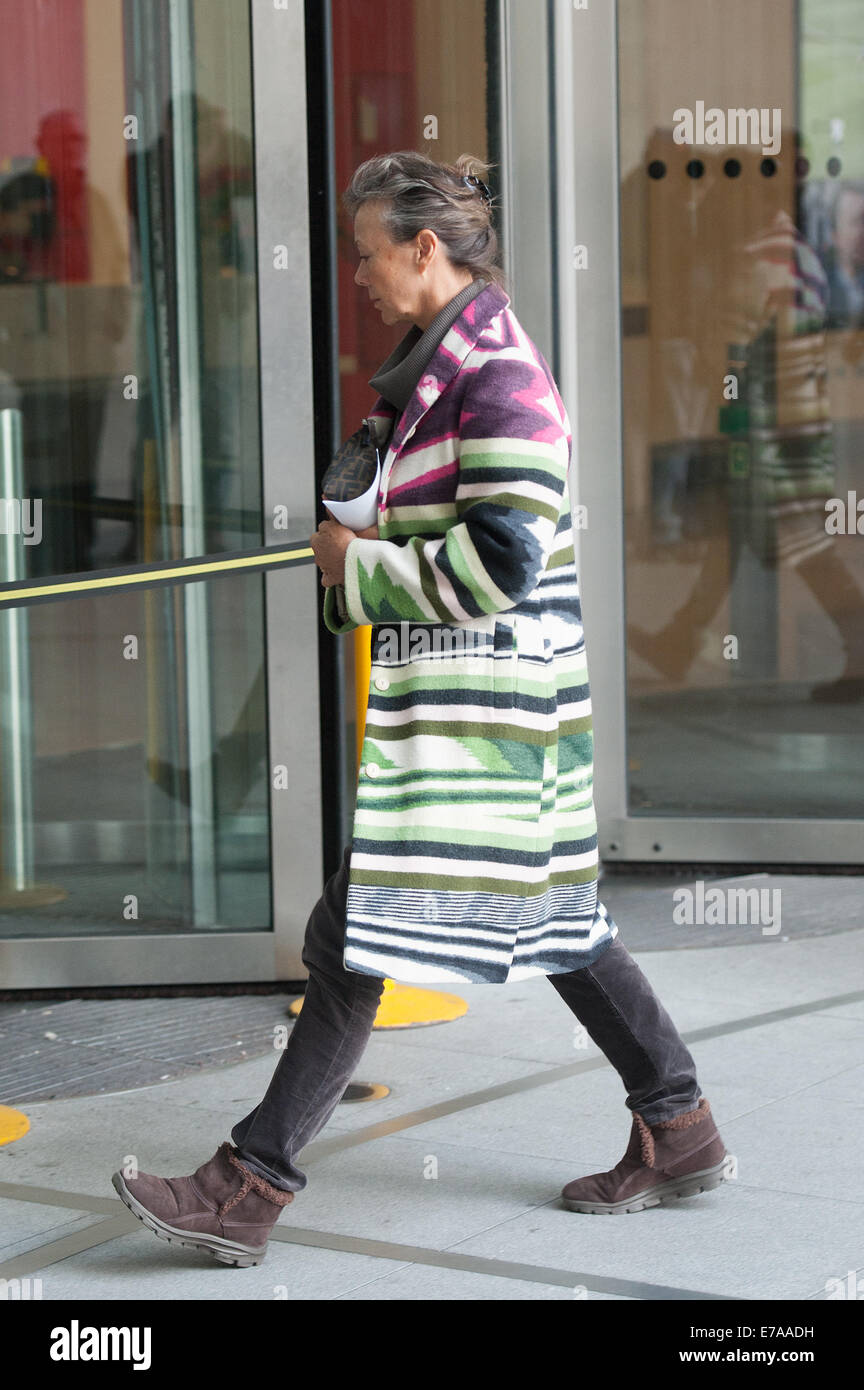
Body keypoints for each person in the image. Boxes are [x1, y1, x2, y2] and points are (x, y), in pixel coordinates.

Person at [112, 151, 728, 1268]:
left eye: (366, 253)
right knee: (561, 925)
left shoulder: (499, 377)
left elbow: (499, 561)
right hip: (485, 721)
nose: (357, 275)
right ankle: (679, 1124)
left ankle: (247, 1187)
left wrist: (354, 565)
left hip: (487, 723)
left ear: (424, 248)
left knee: (354, 944)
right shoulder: (445, 364)